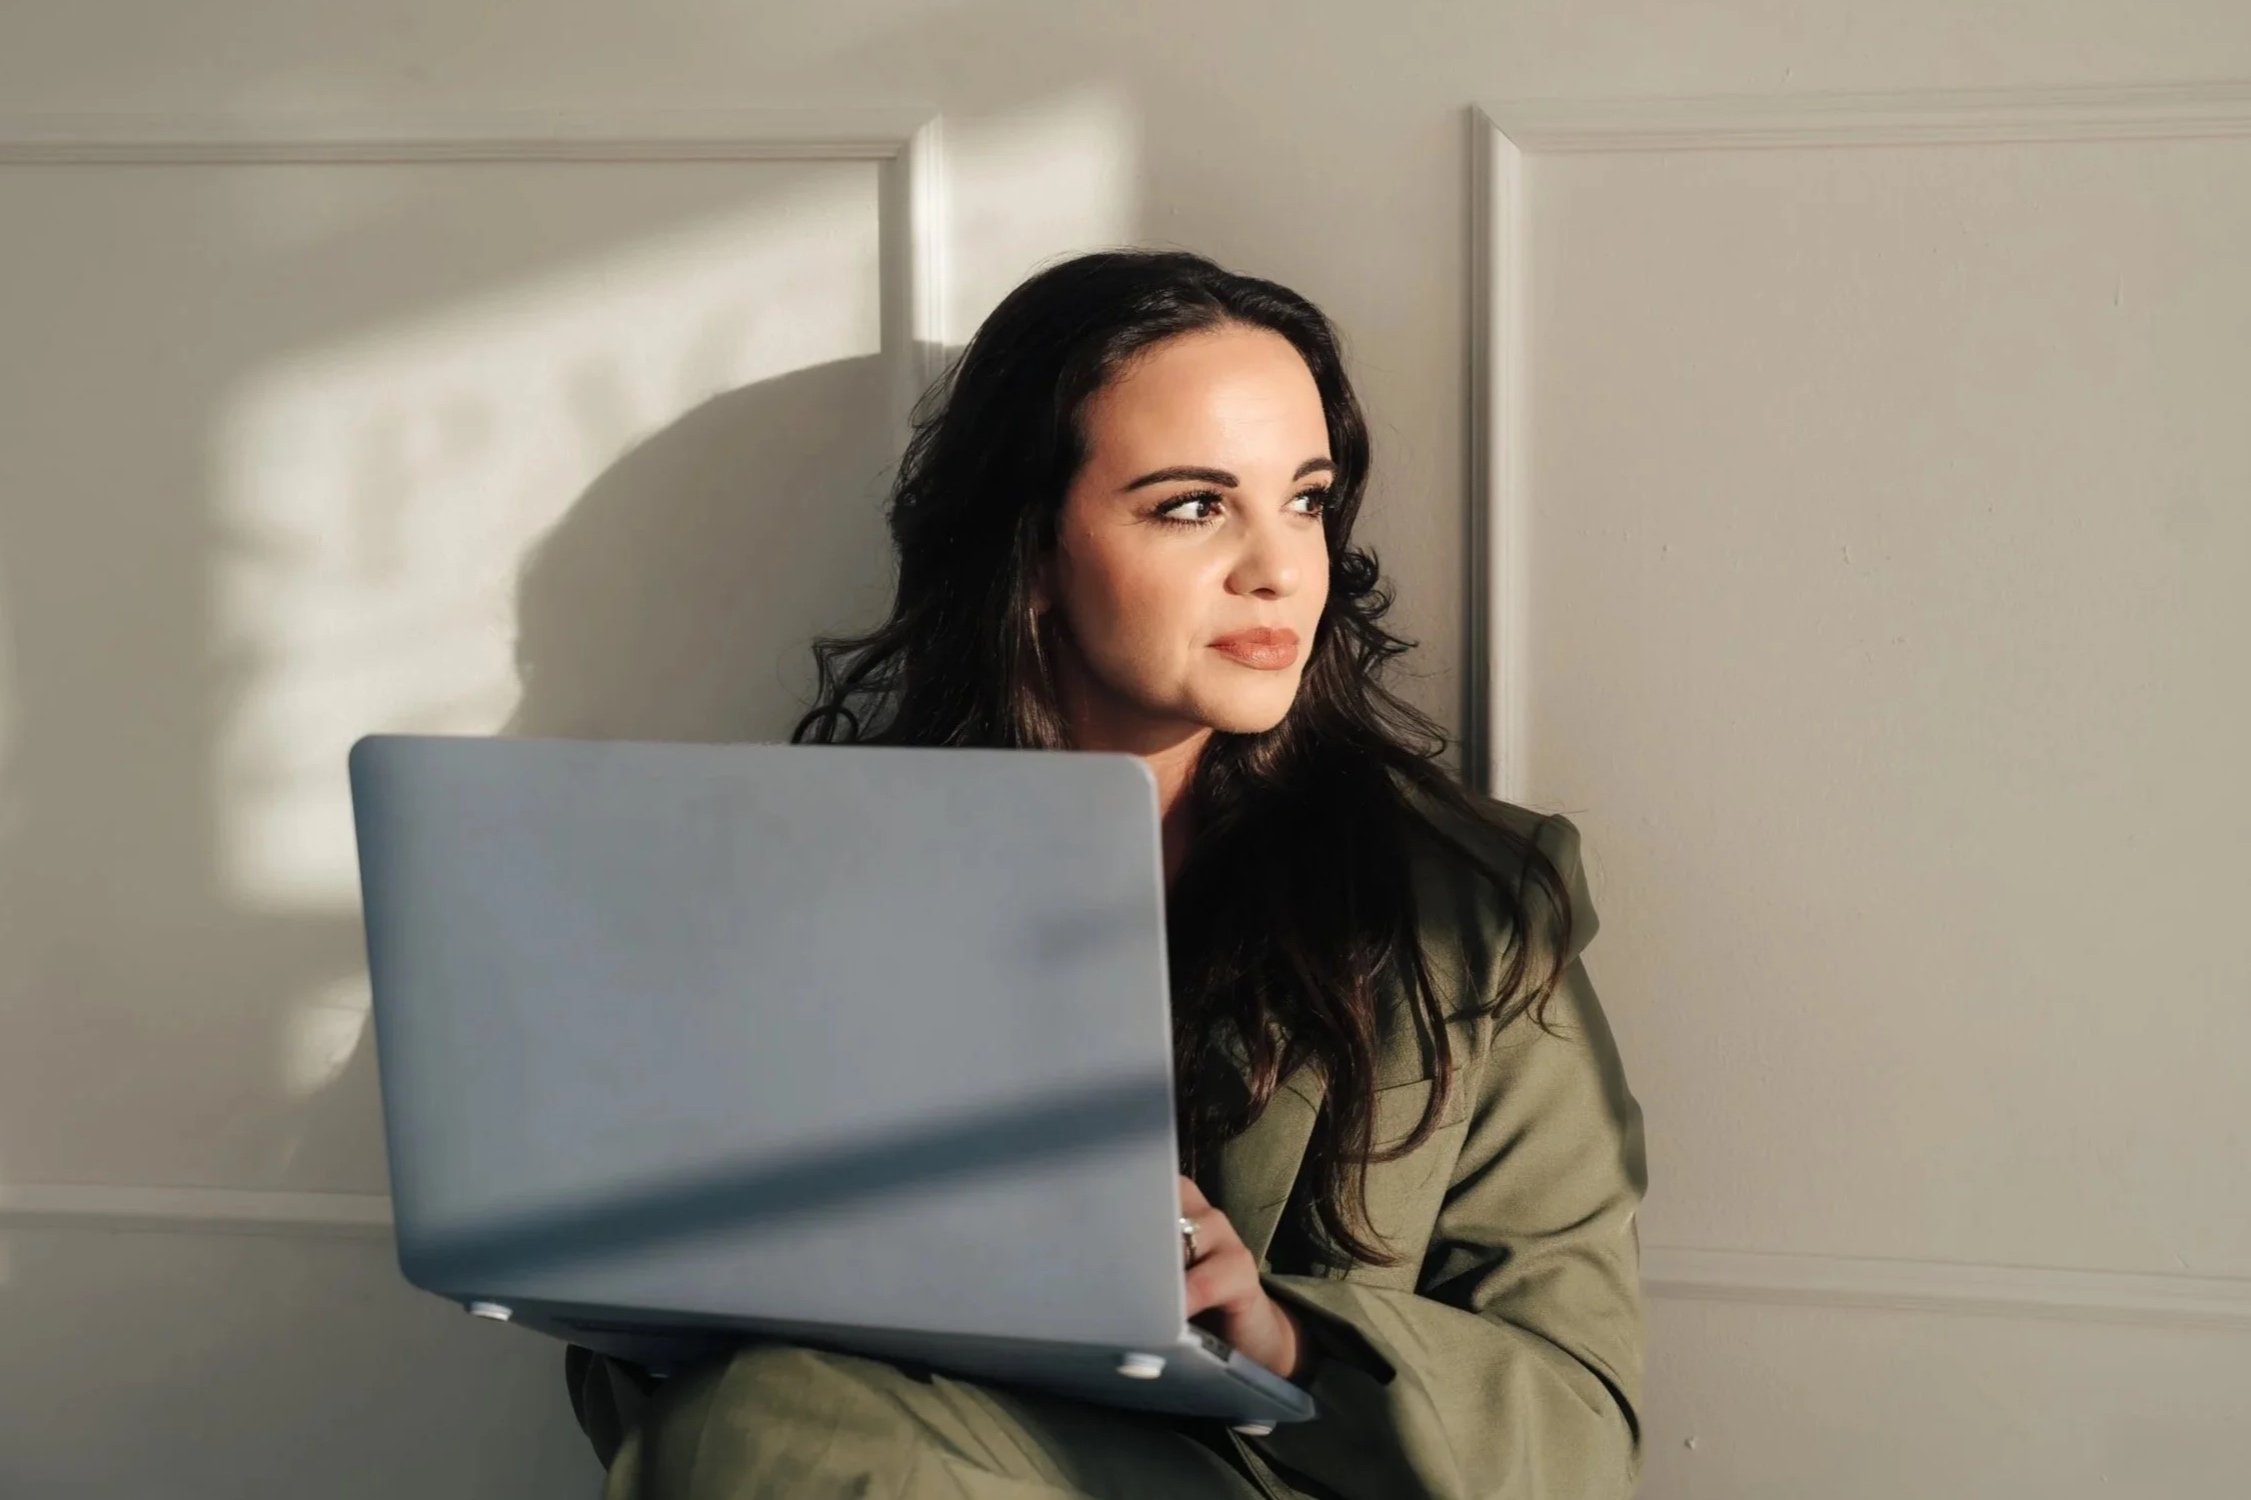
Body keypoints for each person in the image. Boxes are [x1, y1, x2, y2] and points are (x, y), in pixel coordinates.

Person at [564, 248, 1647, 1499]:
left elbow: (1577, 1425)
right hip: (899, 1453)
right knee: (762, 1415)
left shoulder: (1472, 902)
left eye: (1305, 500)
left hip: (1274, 1480)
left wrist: (1274, 1333)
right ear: (1031, 550)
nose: (1278, 566)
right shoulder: (813, 876)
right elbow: (642, 1374)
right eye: (1192, 506)